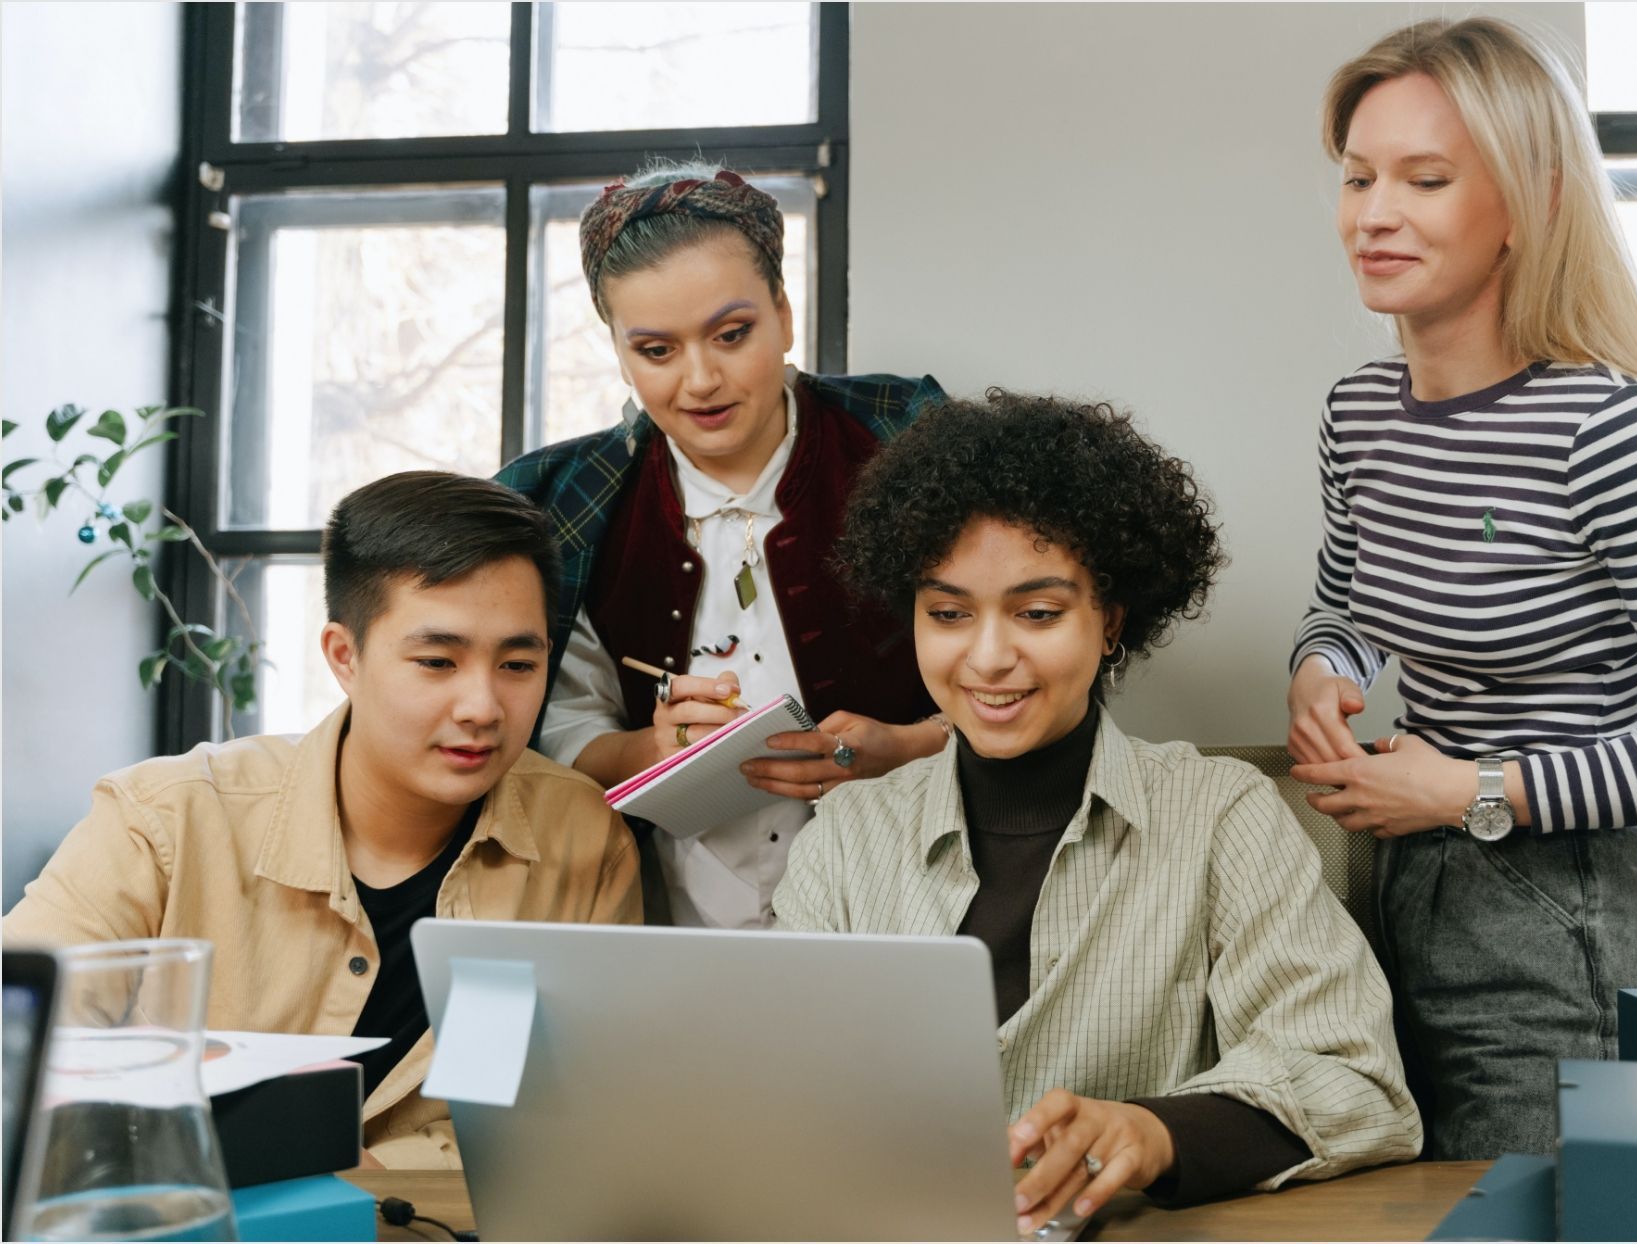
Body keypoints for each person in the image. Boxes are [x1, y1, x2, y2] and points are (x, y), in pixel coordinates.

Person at [1285, 17, 1637, 1161]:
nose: (1374, 212)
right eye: (1358, 176)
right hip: (1404, 884)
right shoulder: (1362, 411)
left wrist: (1470, 790)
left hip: (1566, 911)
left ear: (1529, 199)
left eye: (1427, 178)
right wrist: (1322, 669)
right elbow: (1344, 603)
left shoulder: (1612, 431)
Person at [773, 392, 1421, 1232]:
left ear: (1110, 620)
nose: (990, 656)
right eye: (948, 614)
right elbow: (779, 1092)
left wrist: (1150, 1133)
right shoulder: (850, 838)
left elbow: (1358, 1085)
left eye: (1038, 613)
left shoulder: (1220, 816)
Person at [2, 472, 641, 1168]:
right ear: (345, 656)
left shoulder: (581, 839)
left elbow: (580, 1121)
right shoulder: (165, 820)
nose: (483, 706)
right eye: (437, 661)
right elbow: (15, 1047)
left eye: (519, 663)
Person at [497, 161, 949, 930]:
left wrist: (905, 751)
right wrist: (647, 748)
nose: (700, 379)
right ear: (618, 348)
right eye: (656, 350)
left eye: (731, 334)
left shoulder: (908, 441)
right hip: (667, 921)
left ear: (783, 312)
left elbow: (1032, 663)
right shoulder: (563, 499)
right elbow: (558, 727)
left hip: (915, 903)